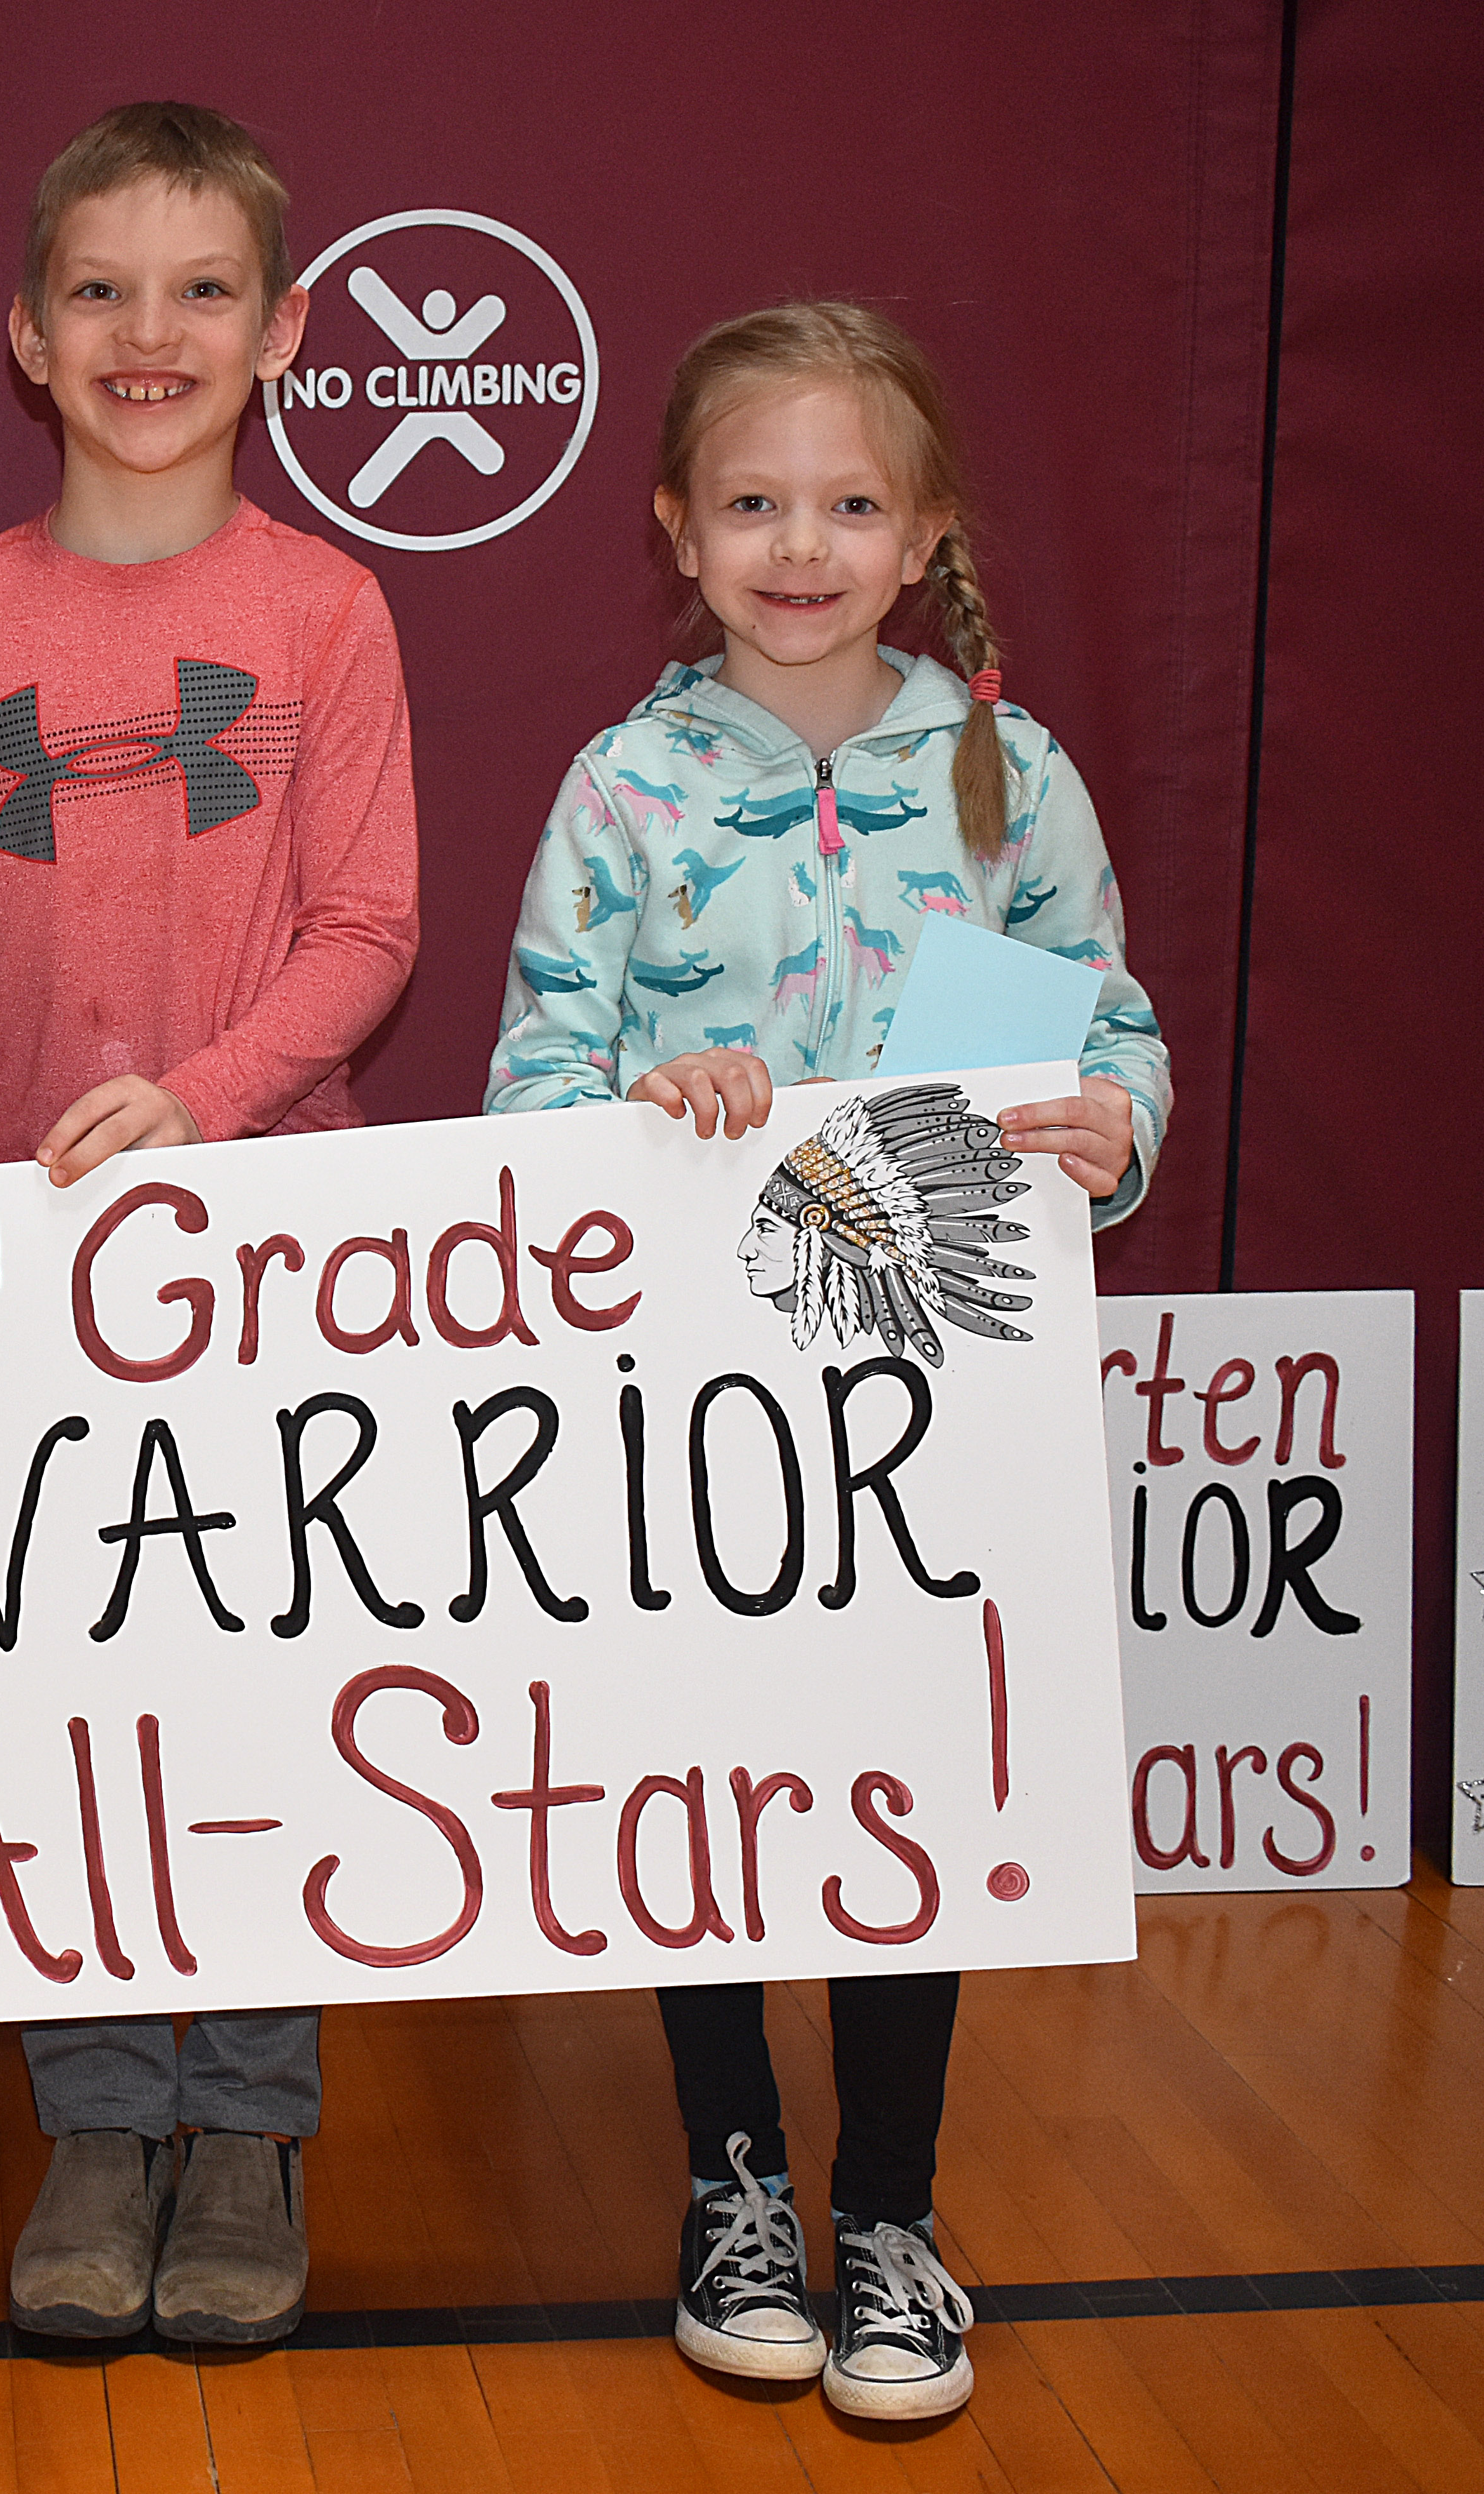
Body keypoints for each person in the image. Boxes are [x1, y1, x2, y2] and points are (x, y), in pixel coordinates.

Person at [486, 299, 1172, 2420]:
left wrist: (1106, 1131)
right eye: (757, 503)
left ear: (923, 531)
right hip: (696, 1418)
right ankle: (732, 2188)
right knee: (712, 1796)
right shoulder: (623, 785)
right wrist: (633, 1096)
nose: (803, 544)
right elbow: (528, 1087)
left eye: (850, 504)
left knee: (897, 1797)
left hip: (933, 1408)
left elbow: (1105, 1035)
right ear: (677, 529)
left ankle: (888, 2209)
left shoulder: (1008, 773)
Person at [0, 102, 421, 2346]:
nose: (148, 331)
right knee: (73, 1695)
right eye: (99, 286)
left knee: (262, 1699)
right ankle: (100, 2121)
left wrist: (192, 1109)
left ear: (284, 335)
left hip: (275, 1245)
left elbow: (371, 924)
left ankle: (250, 2129)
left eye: (202, 289)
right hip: (22, 1256)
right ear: (25, 330)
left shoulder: (324, 609)